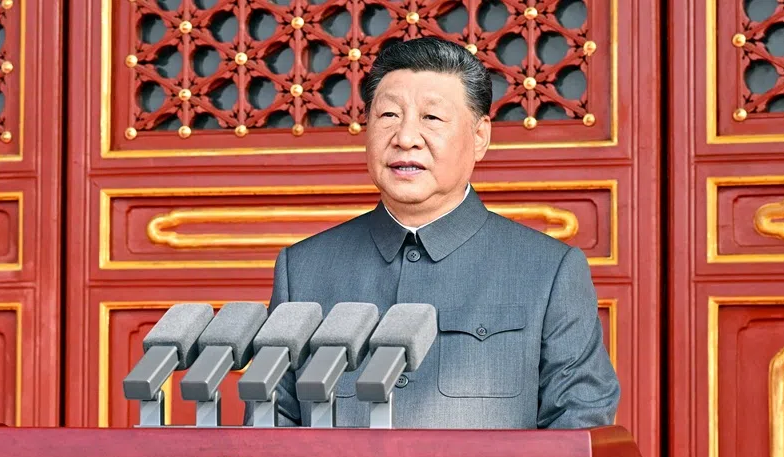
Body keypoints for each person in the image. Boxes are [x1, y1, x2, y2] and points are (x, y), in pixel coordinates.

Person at [265, 37, 620, 429]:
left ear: (480, 136)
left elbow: (578, 424)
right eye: (388, 116)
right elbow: (270, 426)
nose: (405, 137)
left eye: (431, 119)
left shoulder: (549, 271)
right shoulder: (303, 269)